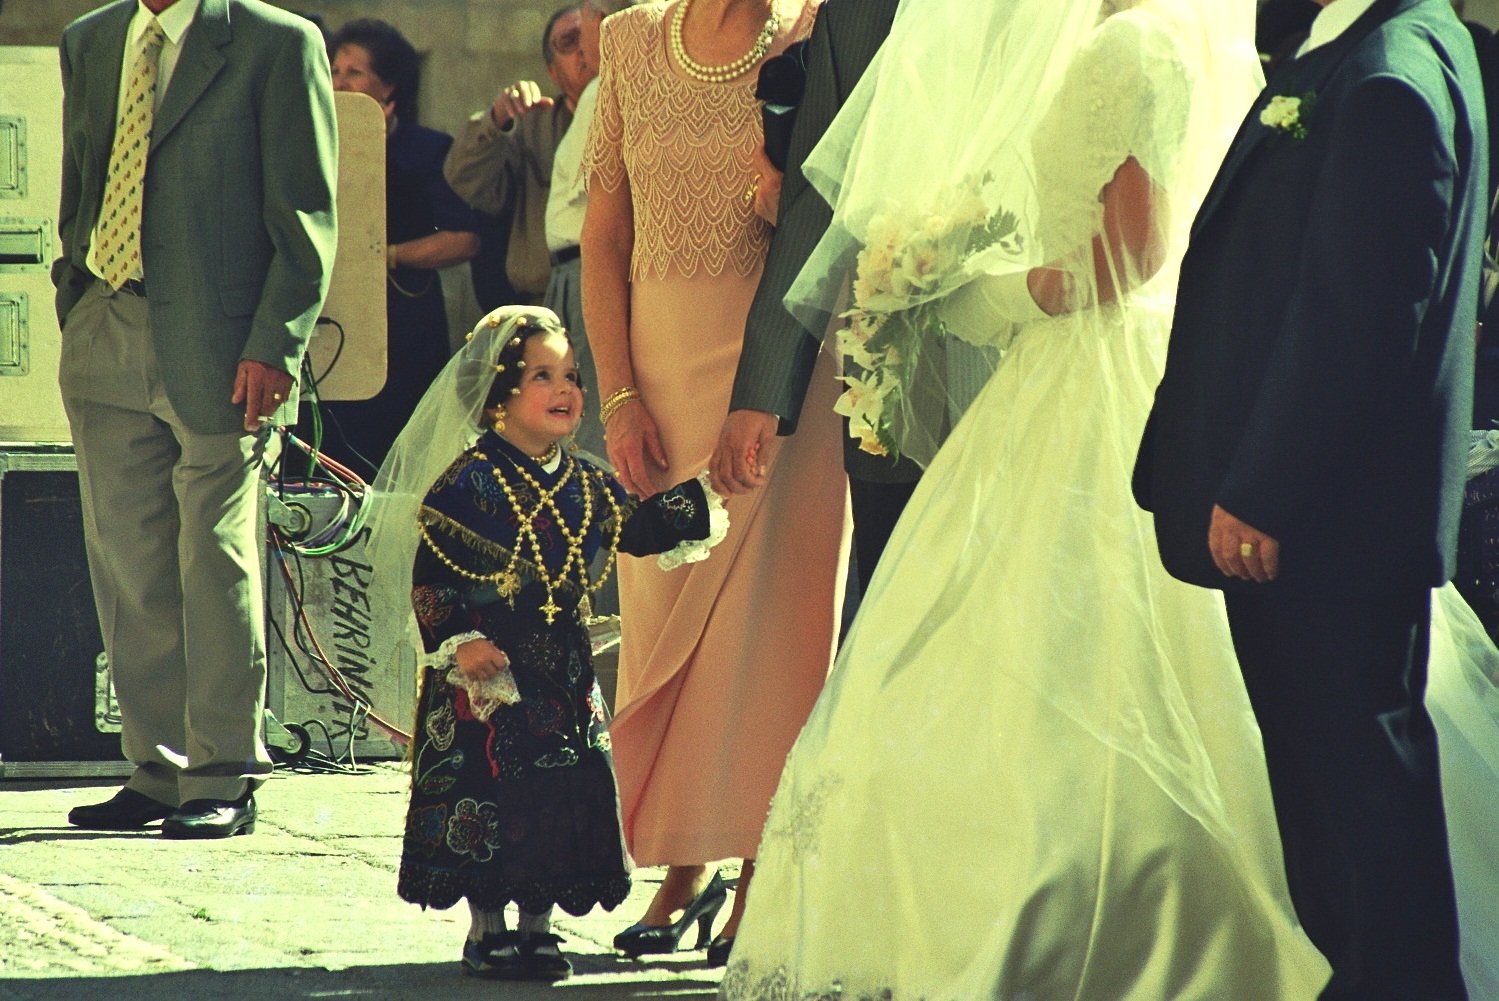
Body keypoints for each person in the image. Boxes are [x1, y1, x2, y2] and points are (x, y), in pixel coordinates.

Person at [722, 0, 1334, 997]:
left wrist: (989, 295)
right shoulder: (1110, 38)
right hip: (1069, 364)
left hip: (1090, 365)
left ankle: (1095, 901)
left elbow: (1131, 252)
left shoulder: (1131, 47)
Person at [1134, 0, 1486, 997]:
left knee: (1361, 818)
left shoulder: (1384, 75)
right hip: (1334, 522)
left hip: (1322, 529)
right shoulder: (1385, 45)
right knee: (1342, 811)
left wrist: (1266, 491)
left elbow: (1360, 315)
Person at [580, 0, 847, 966]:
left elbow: (837, 216)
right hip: (657, 381)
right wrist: (616, 398)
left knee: (773, 634)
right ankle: (684, 865)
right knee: (660, 623)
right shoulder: (627, 40)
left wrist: (789, 198)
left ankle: (764, 871)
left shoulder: (818, 31)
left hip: (785, 381)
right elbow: (602, 240)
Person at [368, 306, 726, 982]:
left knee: (560, 797)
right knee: (487, 794)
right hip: (487, 680)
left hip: (561, 677)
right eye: (542, 376)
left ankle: (538, 928)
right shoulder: (465, 484)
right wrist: (460, 641)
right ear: (498, 396)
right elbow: (432, 580)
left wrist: (705, 499)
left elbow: (636, 527)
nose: (565, 389)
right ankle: (487, 929)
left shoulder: (586, 480)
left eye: (572, 376)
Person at [55, 0, 336, 837]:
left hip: (225, 348)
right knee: (129, 560)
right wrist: (76, 301)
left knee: (213, 558)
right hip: (105, 323)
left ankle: (223, 772)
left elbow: (307, 217)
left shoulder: (277, 43)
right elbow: (82, 182)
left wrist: (276, 345)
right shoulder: (91, 39)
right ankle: (157, 766)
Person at [709, 0, 916, 596]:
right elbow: (812, 205)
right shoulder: (852, 15)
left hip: (1019, 378)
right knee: (890, 612)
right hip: (886, 381)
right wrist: (762, 393)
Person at [310, 18, 480, 476]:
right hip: (333, 318)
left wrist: (387, 256)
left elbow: (463, 239)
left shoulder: (426, 149)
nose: (339, 82)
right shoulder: (310, 142)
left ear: (389, 86)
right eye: (334, 70)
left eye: (354, 72)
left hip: (404, 319)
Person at [543, 0, 645, 466]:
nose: (582, 47)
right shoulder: (597, 90)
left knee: (593, 424)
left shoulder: (614, 86)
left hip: (594, 268)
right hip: (569, 275)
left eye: (584, 19)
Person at [445, 7, 591, 308]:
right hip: (549, 297)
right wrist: (497, 119)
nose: (583, 47)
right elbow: (465, 177)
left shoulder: (642, 113)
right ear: (552, 71)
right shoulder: (532, 126)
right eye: (569, 41)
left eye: (591, 35)